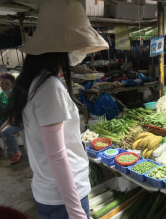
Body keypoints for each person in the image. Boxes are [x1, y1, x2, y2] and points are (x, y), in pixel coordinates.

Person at [8, 0, 108, 219]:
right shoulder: (49, 87)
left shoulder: (34, 80)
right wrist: (75, 210)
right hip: (62, 198)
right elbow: (56, 155)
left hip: (50, 191)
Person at [0, 73, 24, 165]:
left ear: (13, 84)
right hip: (5, 119)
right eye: (1, 83)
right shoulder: (1, 95)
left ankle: (16, 152)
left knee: (6, 131)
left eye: (7, 84)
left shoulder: (15, 96)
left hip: (18, 119)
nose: (3, 86)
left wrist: (1, 128)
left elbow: (13, 117)